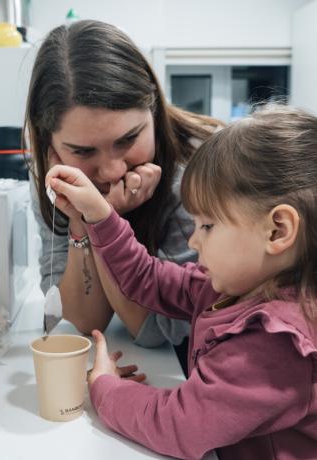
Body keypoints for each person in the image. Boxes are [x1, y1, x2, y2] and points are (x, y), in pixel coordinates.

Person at [45, 105, 317, 459]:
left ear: (277, 230)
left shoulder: (275, 342)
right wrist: (100, 215)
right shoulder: (232, 288)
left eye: (207, 225)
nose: (193, 241)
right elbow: (148, 277)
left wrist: (104, 387)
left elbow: (178, 424)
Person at [25, 20, 220, 365]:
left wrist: (105, 220)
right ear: (50, 146)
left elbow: (155, 331)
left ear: (154, 110)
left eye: (128, 139)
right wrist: (84, 221)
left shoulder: (198, 168)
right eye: (83, 151)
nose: (114, 170)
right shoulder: (55, 177)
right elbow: (84, 321)